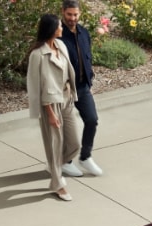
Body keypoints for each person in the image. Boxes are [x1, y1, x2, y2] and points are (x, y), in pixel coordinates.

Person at [27, 14, 80, 201]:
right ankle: (57, 184)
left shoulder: (61, 46)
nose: (62, 28)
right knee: (55, 146)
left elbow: (68, 72)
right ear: (51, 29)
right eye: (59, 26)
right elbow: (36, 86)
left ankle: (54, 165)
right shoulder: (37, 54)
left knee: (74, 144)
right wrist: (49, 113)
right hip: (50, 104)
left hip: (66, 99)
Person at [60, 0, 103, 177]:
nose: (72, 18)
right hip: (65, 89)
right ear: (63, 12)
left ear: (80, 14)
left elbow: (88, 57)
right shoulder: (58, 35)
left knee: (92, 120)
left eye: (75, 14)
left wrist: (89, 78)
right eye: (69, 14)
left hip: (83, 87)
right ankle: (65, 161)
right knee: (67, 129)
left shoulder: (84, 33)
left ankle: (85, 157)